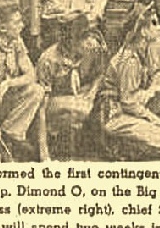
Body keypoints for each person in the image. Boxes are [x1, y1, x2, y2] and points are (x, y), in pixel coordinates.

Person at [95, 5, 160, 159]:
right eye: (154, 23)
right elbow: (128, 102)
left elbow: (158, 74)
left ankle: (142, 137)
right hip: (116, 114)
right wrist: (154, 119)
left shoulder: (145, 50)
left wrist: (152, 88)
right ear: (143, 31)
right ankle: (123, 144)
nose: (159, 28)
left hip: (136, 105)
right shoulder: (129, 59)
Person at [0, 0, 49, 161]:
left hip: (5, 98)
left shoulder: (16, 41)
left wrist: (9, 83)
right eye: (17, 22)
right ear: (3, 27)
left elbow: (31, 75)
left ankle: (9, 135)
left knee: (36, 90)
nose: (22, 25)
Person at [36, 13, 108, 159]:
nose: (87, 43)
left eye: (87, 37)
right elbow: (41, 106)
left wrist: (92, 91)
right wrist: (43, 149)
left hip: (83, 97)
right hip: (56, 106)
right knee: (77, 110)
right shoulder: (48, 59)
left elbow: (101, 74)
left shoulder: (93, 49)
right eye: (81, 39)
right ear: (67, 40)